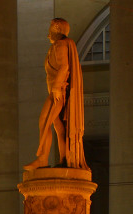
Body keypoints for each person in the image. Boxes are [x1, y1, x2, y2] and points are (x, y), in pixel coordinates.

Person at [26, 18, 88, 170]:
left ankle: (42, 159)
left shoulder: (60, 44)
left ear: (57, 28)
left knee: (44, 121)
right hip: (58, 90)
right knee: (59, 127)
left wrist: (55, 88)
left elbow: (64, 66)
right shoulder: (60, 45)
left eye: (50, 29)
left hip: (57, 91)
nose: (48, 34)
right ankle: (65, 159)